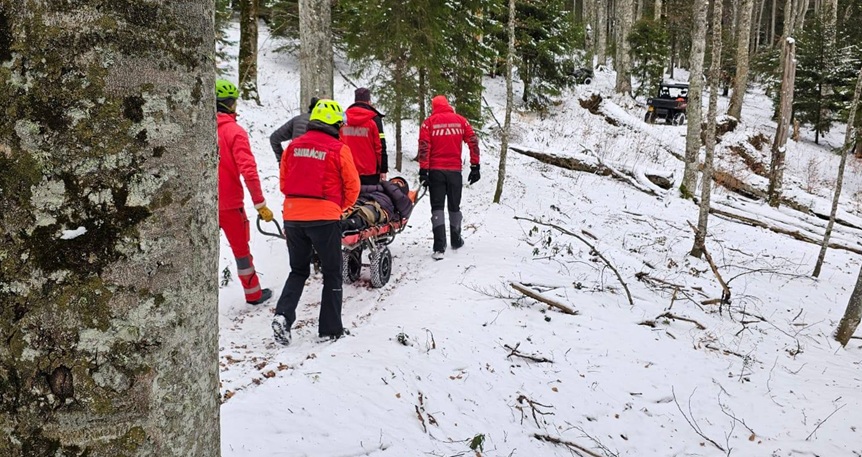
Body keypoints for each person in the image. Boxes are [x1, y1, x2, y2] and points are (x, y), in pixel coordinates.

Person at [272, 99, 360, 346]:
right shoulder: (339, 149)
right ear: (334, 123)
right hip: (324, 218)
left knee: (298, 270)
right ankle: (330, 330)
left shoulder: (292, 147)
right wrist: (339, 209)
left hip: (292, 216)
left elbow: (283, 183)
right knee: (332, 272)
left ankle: (282, 316)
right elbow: (353, 187)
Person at [216, 79, 274, 305]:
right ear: (231, 104)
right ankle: (253, 294)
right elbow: (248, 170)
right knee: (242, 253)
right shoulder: (234, 132)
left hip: (203, 204)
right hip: (230, 205)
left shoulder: (197, 129)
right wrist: (260, 204)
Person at [417, 95, 480, 260]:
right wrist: (475, 166)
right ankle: (456, 240)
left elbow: (424, 147)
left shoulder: (428, 123)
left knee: (437, 207)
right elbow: (473, 141)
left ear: (434, 107)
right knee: (454, 205)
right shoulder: (460, 120)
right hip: (454, 172)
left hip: (436, 171)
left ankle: (439, 246)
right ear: (448, 105)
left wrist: (423, 171)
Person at [340, 87, 388, 185]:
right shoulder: (374, 119)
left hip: (347, 170)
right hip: (370, 173)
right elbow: (380, 147)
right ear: (369, 102)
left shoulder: (343, 118)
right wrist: (383, 169)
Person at [342, 177, 414, 232]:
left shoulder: (404, 199)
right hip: (364, 199)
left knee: (365, 213)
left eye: (399, 183)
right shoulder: (381, 187)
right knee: (349, 208)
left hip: (381, 206)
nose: (395, 183)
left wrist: (386, 184)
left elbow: (405, 211)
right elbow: (362, 189)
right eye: (393, 181)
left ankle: (346, 224)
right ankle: (338, 219)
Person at [269, 96, 319, 162]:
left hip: (294, 163)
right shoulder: (327, 124)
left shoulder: (297, 119)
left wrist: (281, 160)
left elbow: (274, 138)